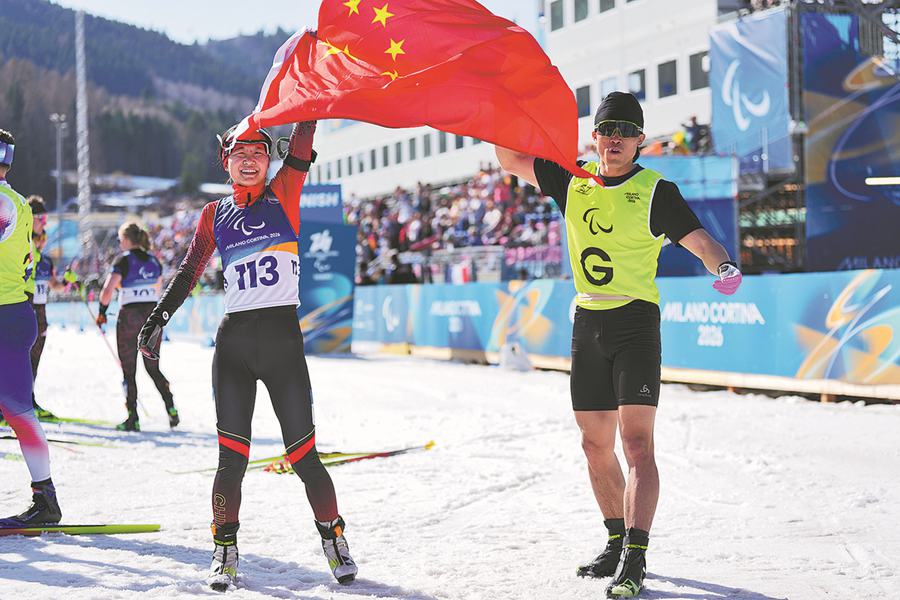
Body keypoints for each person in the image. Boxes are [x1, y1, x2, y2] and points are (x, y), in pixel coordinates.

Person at [495, 92, 742, 599]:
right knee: (593, 445)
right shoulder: (573, 177)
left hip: (634, 324)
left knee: (636, 445)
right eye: (607, 129)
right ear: (595, 136)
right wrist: (497, 108)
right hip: (587, 321)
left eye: (625, 131)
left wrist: (723, 266)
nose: (614, 139)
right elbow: (510, 159)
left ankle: (636, 554)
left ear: (639, 142)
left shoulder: (656, 190)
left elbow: (700, 240)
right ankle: (613, 538)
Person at [136, 121, 357, 590]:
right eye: (240, 153)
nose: (250, 159)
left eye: (258, 151)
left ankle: (334, 539)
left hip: (282, 345)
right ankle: (224, 549)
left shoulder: (284, 193)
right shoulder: (213, 214)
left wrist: (309, 101)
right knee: (230, 461)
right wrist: (158, 317)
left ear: (269, 159)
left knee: (305, 458)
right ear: (226, 161)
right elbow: (191, 268)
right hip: (234, 347)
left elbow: (301, 144)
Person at [0, 128, 62, 526]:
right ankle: (46, 499)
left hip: (6, 313)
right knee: (19, 411)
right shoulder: (18, 201)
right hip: (15, 311)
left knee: (20, 412)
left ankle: (46, 501)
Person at [96, 221, 179, 432]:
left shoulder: (122, 260)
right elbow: (158, 289)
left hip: (130, 317)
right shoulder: (153, 260)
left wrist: (102, 313)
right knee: (153, 367)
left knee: (129, 370)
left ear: (125, 240)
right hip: (152, 317)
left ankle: (132, 417)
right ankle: (171, 409)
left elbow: (107, 291)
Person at [27, 197, 64, 419]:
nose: (44, 225)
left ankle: (28, 400)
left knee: (34, 357)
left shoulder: (44, 259)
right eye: (41, 220)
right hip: (23, 304)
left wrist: (68, 282)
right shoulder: (20, 243)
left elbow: (55, 285)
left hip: (39, 310)